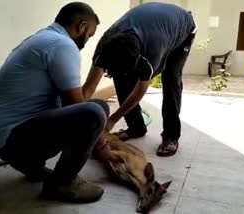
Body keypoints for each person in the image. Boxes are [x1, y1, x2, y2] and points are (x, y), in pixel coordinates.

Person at [0, 2, 110, 203]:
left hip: (5, 140)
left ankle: (33, 168)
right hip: (14, 140)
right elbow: (75, 105)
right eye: (90, 35)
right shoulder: (62, 44)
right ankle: (62, 183)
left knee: (92, 108)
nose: (86, 41)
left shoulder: (42, 38)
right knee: (95, 113)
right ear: (81, 26)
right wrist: (103, 146)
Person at [82, 2, 197, 157]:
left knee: (171, 79)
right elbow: (88, 89)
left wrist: (112, 120)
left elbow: (139, 91)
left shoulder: (151, 54)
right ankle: (136, 128)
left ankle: (171, 136)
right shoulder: (105, 47)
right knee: (122, 78)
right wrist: (76, 119)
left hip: (183, 27)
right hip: (153, 23)